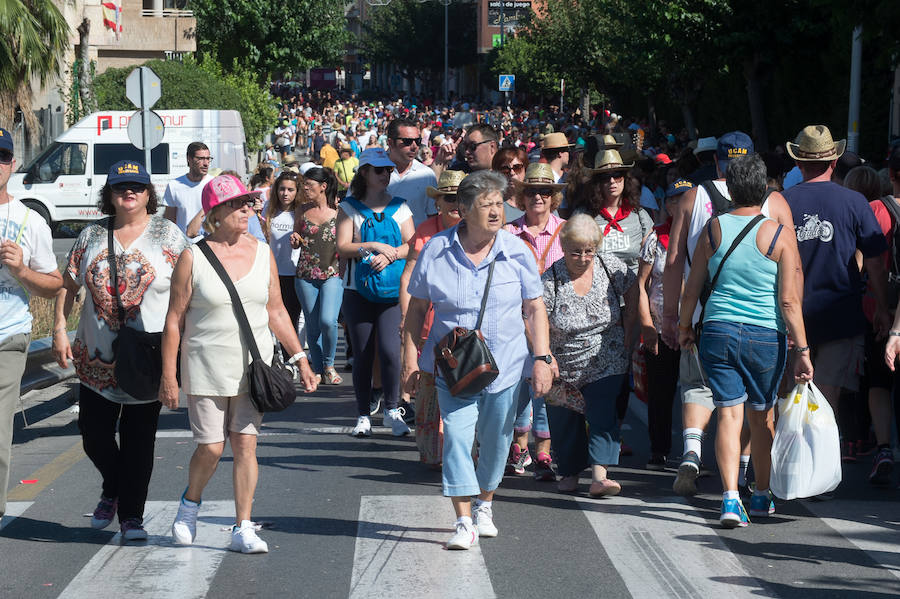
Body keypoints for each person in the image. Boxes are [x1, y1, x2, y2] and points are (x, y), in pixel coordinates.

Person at [160, 174, 317, 554]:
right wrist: (169, 375)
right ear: (215, 212)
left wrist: (301, 359)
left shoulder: (262, 253)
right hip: (205, 365)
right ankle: (190, 503)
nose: (248, 209)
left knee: (246, 445)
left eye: (249, 203)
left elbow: (277, 311)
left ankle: (243, 526)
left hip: (253, 366)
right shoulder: (192, 256)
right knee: (212, 448)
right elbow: (173, 319)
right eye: (238, 204)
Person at [401, 170, 553, 550]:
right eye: (486, 205)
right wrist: (410, 361)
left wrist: (542, 358)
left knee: (497, 441)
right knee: (455, 437)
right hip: (453, 368)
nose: (495, 212)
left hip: (505, 367)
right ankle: (464, 520)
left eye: (499, 204)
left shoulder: (517, 251)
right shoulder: (436, 249)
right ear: (464, 210)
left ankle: (485, 502)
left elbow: (534, 308)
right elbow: (417, 309)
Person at [52, 160, 187, 541]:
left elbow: (187, 294)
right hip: (95, 358)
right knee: (93, 434)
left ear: (149, 194)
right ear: (108, 195)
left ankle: (132, 517)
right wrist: (60, 328)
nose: (129, 193)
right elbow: (68, 285)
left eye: (137, 187)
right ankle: (113, 485)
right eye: (120, 187)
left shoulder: (170, 237)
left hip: (147, 357)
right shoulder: (91, 235)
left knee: (139, 440)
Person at [677, 153, 813, 528]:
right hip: (765, 335)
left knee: (728, 414)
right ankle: (761, 495)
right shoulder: (780, 234)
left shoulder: (713, 229)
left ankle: (730, 499)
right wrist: (801, 349)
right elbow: (788, 300)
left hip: (718, 329)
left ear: (731, 189)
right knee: (761, 418)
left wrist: (684, 325)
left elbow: (692, 288)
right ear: (766, 189)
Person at [662, 132, 795, 497]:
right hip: (766, 325)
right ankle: (747, 476)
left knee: (710, 397)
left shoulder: (695, 198)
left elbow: (674, 263)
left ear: (717, 162)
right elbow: (793, 278)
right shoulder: (776, 203)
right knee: (758, 408)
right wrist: (800, 337)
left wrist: (673, 318)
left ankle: (707, 468)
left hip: (709, 320)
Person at [782, 126, 889, 425]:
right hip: (841, 315)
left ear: (799, 163)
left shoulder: (781, 202)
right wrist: (881, 306)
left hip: (791, 316)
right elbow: (876, 262)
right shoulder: (854, 202)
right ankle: (821, 463)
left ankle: (792, 464)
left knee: (793, 397)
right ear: (833, 162)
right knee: (827, 400)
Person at [542, 214, 637, 496]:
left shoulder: (609, 264)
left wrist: (630, 329)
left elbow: (633, 290)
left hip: (605, 353)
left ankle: (600, 475)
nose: (583, 258)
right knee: (564, 418)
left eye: (588, 251)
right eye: (576, 252)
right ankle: (570, 473)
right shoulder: (552, 278)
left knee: (602, 411)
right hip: (564, 359)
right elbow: (535, 316)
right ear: (563, 247)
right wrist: (545, 354)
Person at [570, 149, 652, 456]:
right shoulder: (585, 217)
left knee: (621, 372)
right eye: (606, 177)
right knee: (590, 371)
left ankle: (611, 430)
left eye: (619, 176)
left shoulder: (641, 216)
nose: (613, 182)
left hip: (630, 304)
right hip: (593, 305)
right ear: (597, 183)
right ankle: (592, 430)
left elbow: (649, 259)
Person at [0, 127, 62, 521]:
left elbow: (54, 284)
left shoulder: (27, 220)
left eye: (1, 157)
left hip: (7, 335)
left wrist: (21, 269)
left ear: (13, 165)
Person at [336, 148, 413, 437]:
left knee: (392, 353)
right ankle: (363, 415)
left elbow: (411, 243)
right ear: (364, 172)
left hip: (392, 291)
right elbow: (343, 246)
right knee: (364, 355)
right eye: (379, 170)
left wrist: (392, 254)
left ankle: (393, 411)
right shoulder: (349, 207)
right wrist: (373, 247)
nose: (385, 175)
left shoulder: (401, 206)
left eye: (388, 170)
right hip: (358, 291)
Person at [399, 169, 467, 467]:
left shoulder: (479, 231)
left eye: (460, 198)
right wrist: (406, 321)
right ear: (438, 202)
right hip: (429, 329)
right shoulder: (426, 231)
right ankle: (432, 451)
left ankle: (459, 452)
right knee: (429, 396)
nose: (454, 203)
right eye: (448, 198)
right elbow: (409, 277)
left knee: (464, 395)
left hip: (466, 332)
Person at [503, 163, 566, 480]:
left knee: (548, 391)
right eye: (531, 191)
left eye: (545, 191)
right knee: (517, 391)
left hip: (558, 326)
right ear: (522, 197)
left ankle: (544, 453)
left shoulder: (567, 231)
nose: (538, 197)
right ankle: (518, 448)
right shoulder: (508, 233)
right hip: (516, 324)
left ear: (554, 197)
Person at [846, 163, 897, 482]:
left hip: (877, 307)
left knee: (878, 382)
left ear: (891, 175)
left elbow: (864, 262)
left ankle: (882, 446)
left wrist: (878, 304)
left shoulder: (877, 209)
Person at [638, 179, 692, 470]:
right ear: (668, 204)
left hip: (694, 329)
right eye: (676, 199)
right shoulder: (655, 238)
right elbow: (641, 284)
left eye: (688, 198)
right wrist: (646, 324)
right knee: (661, 392)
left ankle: (693, 452)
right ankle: (659, 450)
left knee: (697, 393)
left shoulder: (704, 235)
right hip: (660, 328)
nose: (682, 204)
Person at [290, 167, 343, 385]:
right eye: (304, 184)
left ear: (323, 187)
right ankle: (319, 369)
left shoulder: (340, 211)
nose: (305, 188)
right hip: (305, 273)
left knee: (328, 321)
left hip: (333, 272)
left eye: (309, 185)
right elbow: (296, 236)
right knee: (312, 326)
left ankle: (330, 364)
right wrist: (294, 239)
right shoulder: (301, 210)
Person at [260, 171, 306, 362]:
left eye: (290, 190)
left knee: (291, 317)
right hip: (271, 272)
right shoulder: (268, 211)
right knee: (269, 317)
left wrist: (300, 241)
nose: (285, 194)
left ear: (297, 192)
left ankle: (291, 359)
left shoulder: (301, 213)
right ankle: (273, 355)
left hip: (294, 273)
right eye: (282, 189)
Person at [386, 118, 438, 227]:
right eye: (407, 141)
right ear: (390, 143)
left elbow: (432, 217)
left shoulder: (426, 174)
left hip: (417, 242)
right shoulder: (370, 172)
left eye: (418, 141)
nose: (414, 146)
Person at [163, 142, 213, 241]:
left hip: (209, 246)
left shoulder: (214, 184)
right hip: (182, 247)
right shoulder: (174, 186)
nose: (206, 163)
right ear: (189, 159)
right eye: (200, 159)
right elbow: (169, 222)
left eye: (208, 159)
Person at [491, 147, 528, 223]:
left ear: (526, 170)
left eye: (517, 167)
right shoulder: (492, 205)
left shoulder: (538, 201)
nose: (512, 173)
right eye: (505, 169)